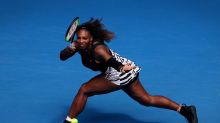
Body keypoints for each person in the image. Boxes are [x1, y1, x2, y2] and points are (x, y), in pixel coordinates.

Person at [60, 18, 198, 123]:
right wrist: (71, 48)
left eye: (85, 38)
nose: (82, 40)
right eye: (79, 38)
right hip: (121, 71)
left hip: (120, 71)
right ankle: (185, 110)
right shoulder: (78, 46)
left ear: (91, 39)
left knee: (84, 89)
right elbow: (62, 57)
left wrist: (121, 67)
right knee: (146, 100)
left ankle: (68, 120)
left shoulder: (98, 49)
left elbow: (110, 60)